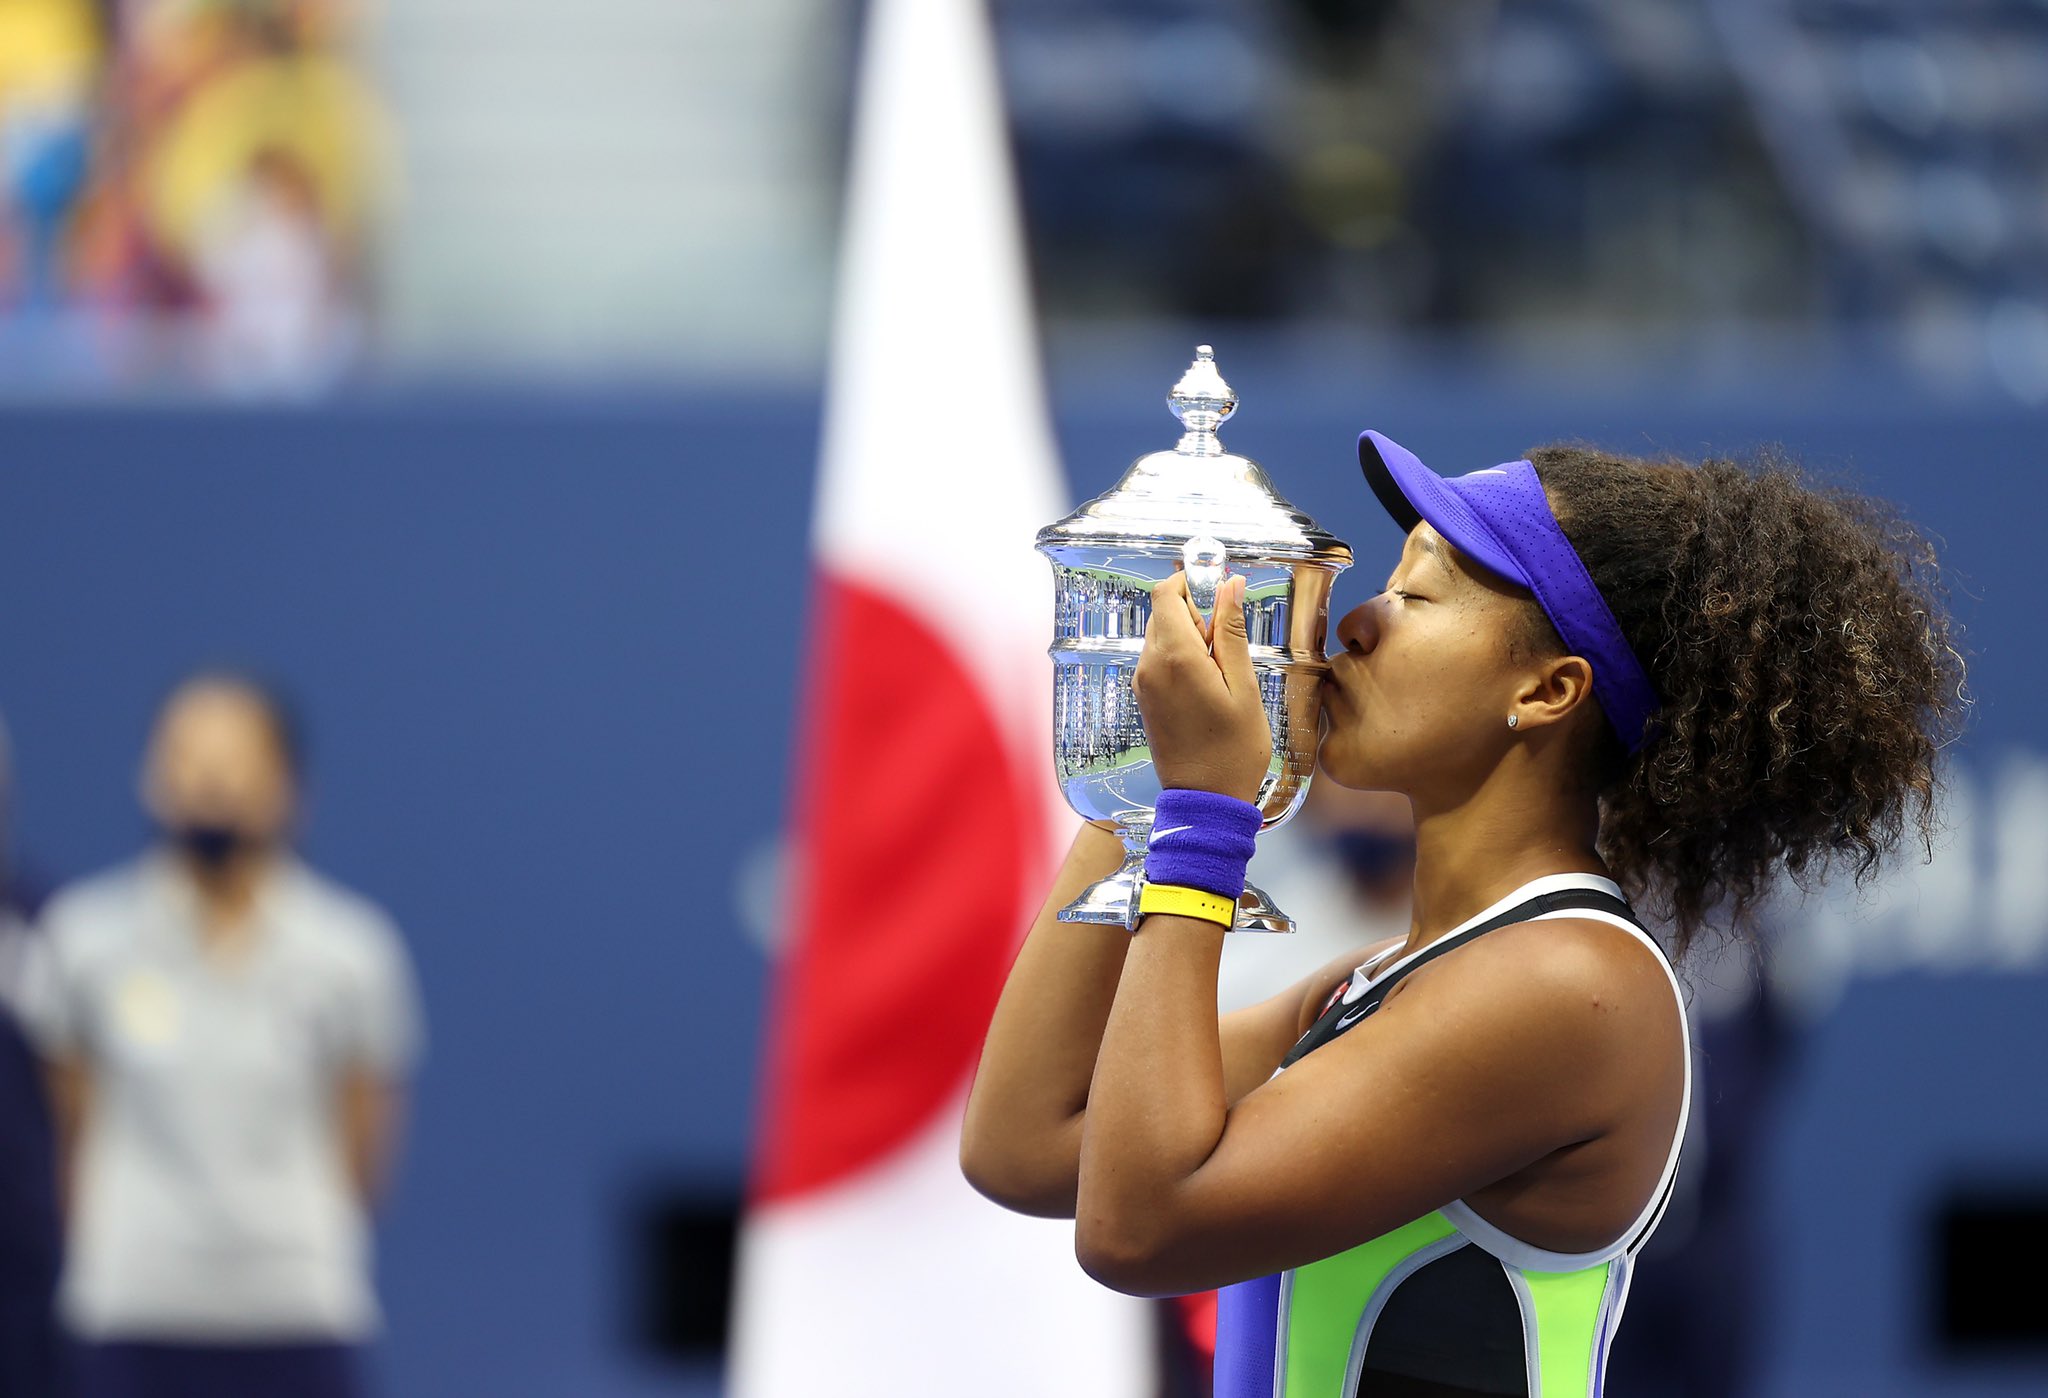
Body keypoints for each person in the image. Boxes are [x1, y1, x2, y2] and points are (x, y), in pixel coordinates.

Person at [962, 433, 1959, 1395]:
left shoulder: (1567, 987)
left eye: (1415, 593)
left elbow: (1138, 1231)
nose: (1355, 623)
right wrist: (1136, 784)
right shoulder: (1392, 978)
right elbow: (1027, 1146)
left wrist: (1204, 819)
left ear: (1545, 689)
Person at [16, 673, 422, 1398]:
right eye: (184, 756)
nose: (208, 780)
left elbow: (364, 1150)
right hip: (130, 1311)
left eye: (234, 758)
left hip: (298, 1310)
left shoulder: (354, 953)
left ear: (289, 784)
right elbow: (70, 1126)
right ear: (150, 777)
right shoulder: (83, 940)